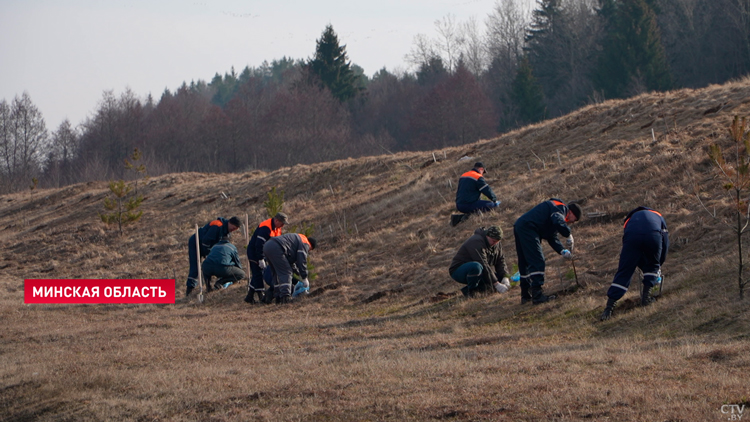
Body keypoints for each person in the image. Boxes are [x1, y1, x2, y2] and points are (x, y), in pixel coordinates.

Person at [600, 207, 669, 321]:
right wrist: (659, 263)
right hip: (653, 236)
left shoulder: (629, 220)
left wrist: (632, 262)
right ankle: (645, 299)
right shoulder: (658, 216)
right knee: (652, 264)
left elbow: (627, 240)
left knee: (625, 271)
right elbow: (665, 241)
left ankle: (608, 309)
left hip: (632, 238)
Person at [514, 199, 582, 304]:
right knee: (537, 260)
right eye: (575, 219)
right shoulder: (561, 208)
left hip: (521, 225)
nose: (573, 222)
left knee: (525, 262)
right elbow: (558, 221)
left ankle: (526, 295)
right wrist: (568, 234)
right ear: (572, 212)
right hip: (529, 228)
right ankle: (537, 295)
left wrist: (562, 251)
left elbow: (552, 237)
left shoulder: (554, 211)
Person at [449, 226, 511, 297]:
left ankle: (467, 290)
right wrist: (496, 284)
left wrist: (505, 277)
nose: (495, 243)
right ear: (487, 236)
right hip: (459, 270)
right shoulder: (476, 242)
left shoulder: (496, 243)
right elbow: (483, 263)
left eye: (497, 242)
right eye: (493, 241)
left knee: (499, 278)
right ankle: (472, 292)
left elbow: (500, 260)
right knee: (476, 267)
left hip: (481, 269)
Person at [186, 216, 241, 296]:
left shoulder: (226, 232)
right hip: (196, 243)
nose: (234, 230)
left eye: (236, 229)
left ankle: (212, 286)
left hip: (207, 246)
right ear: (230, 223)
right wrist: (209, 254)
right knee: (195, 268)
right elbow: (206, 241)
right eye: (234, 227)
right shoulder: (217, 226)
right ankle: (189, 290)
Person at [244, 212, 288, 304]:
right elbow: (259, 244)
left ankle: (249, 296)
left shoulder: (277, 229)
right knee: (258, 274)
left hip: (264, 253)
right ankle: (261, 297)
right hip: (255, 252)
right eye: (282, 223)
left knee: (259, 273)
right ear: (276, 220)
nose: (283, 225)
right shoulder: (266, 227)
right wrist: (260, 258)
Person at [263, 232, 317, 304]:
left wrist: (298, 273)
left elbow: (290, 262)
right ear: (311, 246)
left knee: (276, 273)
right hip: (277, 247)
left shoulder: (298, 239)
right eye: (309, 250)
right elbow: (302, 260)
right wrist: (304, 277)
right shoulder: (305, 243)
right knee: (286, 272)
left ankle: (278, 297)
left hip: (268, 246)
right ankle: (285, 297)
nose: (308, 251)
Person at [452, 162, 501, 226]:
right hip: (468, 204)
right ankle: (462, 217)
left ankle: (465, 216)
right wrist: (494, 200)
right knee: (492, 205)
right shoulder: (477, 177)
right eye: (483, 172)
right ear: (481, 169)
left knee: (478, 205)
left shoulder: (464, 175)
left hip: (459, 204)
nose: (483, 174)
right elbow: (486, 190)